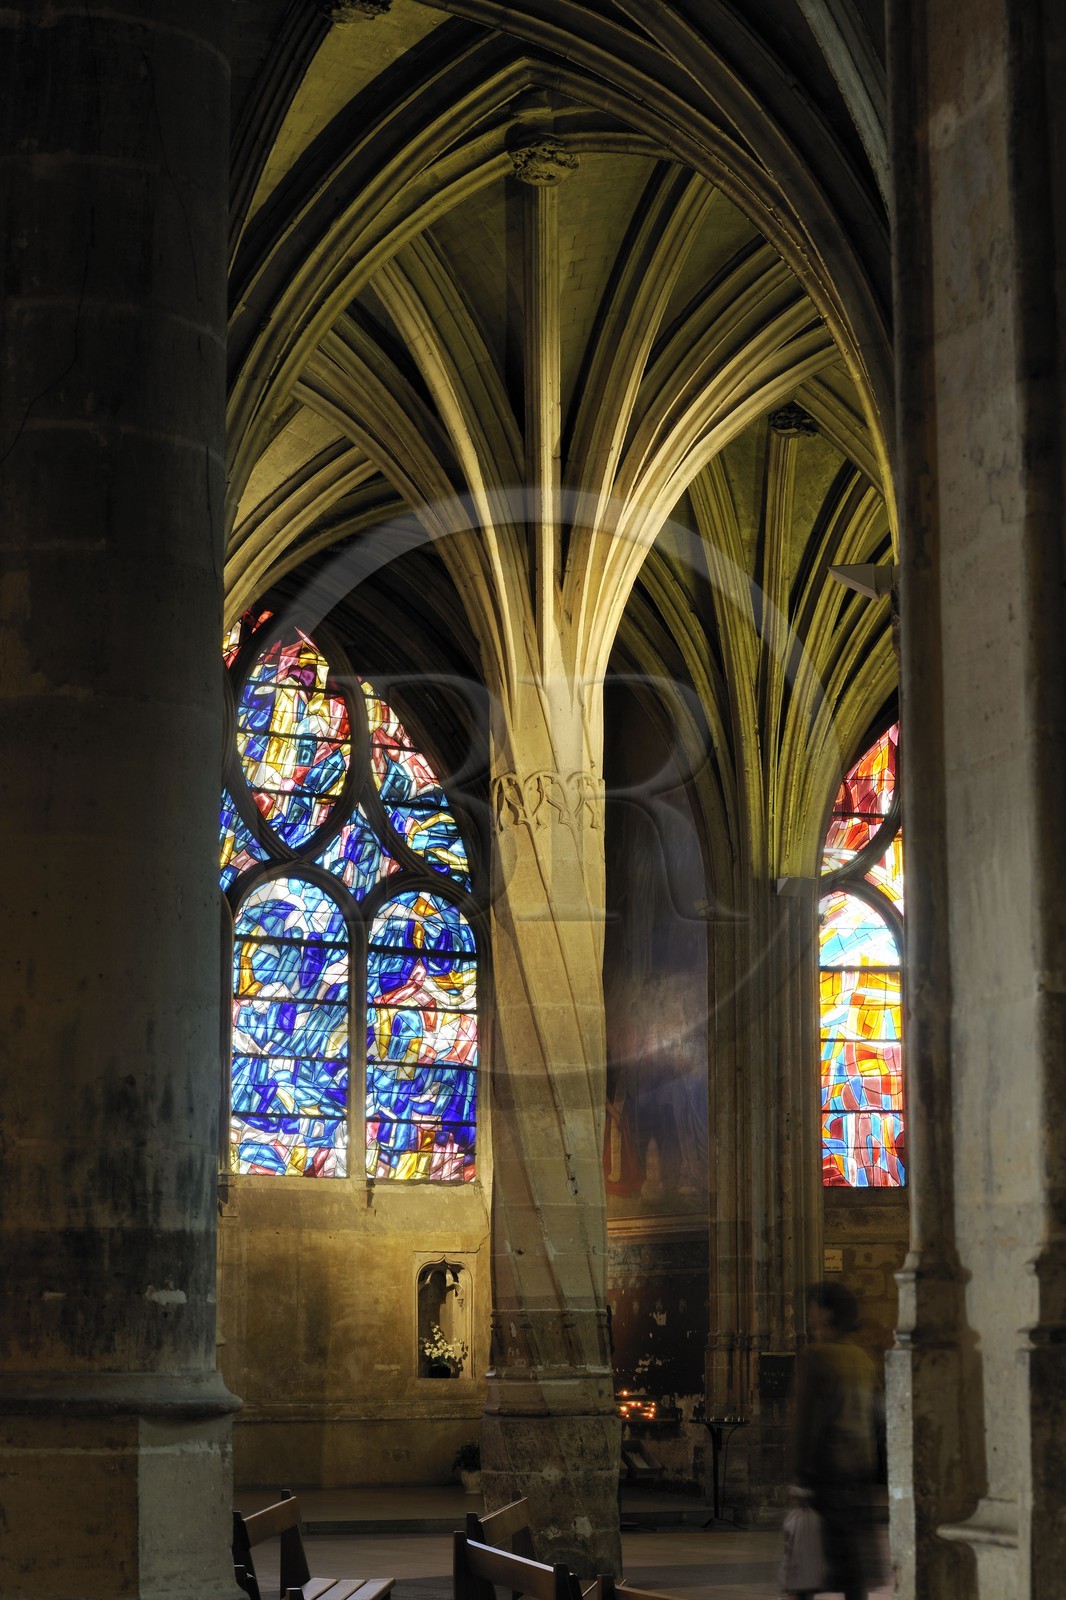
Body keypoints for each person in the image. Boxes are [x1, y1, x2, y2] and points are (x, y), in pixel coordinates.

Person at [786, 1281, 884, 1600]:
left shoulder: (817, 1357)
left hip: (825, 1478)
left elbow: (808, 1423)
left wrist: (800, 1478)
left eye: (813, 1308)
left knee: (805, 1569)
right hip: (858, 1475)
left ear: (825, 1313)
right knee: (852, 1572)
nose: (809, 1316)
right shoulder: (862, 1359)